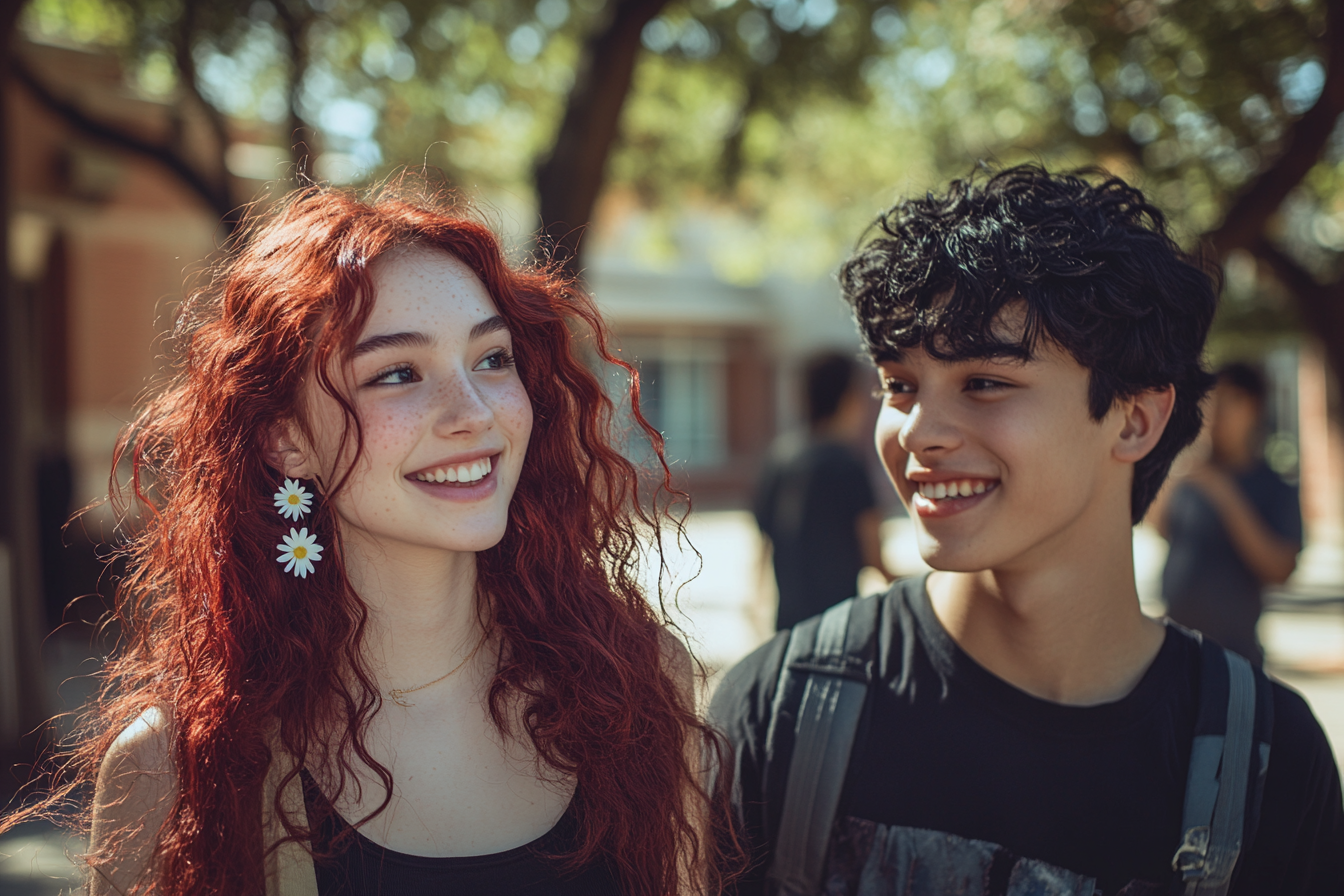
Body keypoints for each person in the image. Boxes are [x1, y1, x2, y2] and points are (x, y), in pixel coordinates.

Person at [2, 183, 740, 896]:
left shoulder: (638, 692)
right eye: (397, 373)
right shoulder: (176, 768)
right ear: (286, 440)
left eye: (491, 358)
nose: (474, 412)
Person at [710, 166, 1344, 895]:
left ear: (1134, 419)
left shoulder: (1269, 761)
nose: (918, 431)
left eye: (984, 382)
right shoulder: (779, 712)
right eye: (900, 384)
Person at [1155, 362, 1302, 666]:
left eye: (1227, 403)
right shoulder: (1192, 475)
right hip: (1174, 645)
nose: (1215, 416)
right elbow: (1160, 527)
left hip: (1234, 653)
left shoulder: (1273, 486)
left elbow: (1281, 569)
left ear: (1253, 409)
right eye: (1210, 404)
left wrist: (1224, 494)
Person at [754, 353, 893, 631]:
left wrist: (756, 603)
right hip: (837, 625)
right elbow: (873, 555)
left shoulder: (780, 457)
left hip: (789, 625)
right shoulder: (849, 464)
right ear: (848, 399)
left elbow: (764, 543)